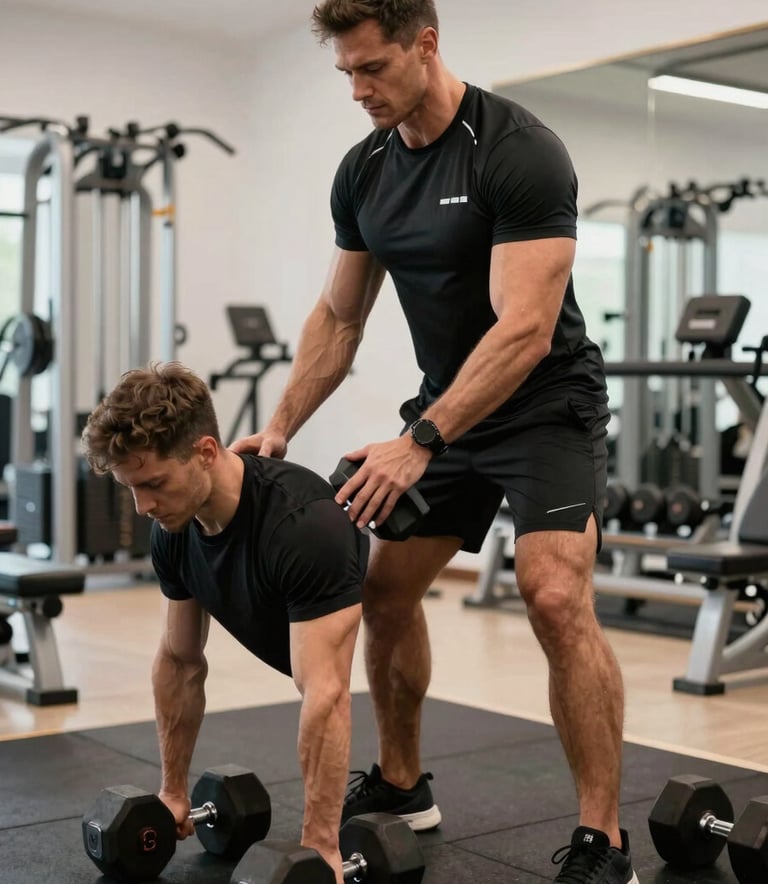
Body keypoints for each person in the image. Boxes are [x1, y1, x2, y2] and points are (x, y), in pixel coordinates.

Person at [232, 2, 637, 882]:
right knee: (384, 591)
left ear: (426, 43)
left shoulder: (518, 150)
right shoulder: (365, 169)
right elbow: (340, 319)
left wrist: (418, 438)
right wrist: (279, 427)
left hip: (544, 405)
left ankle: (604, 841)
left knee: (555, 596)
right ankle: (406, 784)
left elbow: (526, 329)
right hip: (447, 407)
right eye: (346, 73)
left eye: (372, 68)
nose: (358, 90)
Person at [81, 361, 368, 884]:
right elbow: (180, 660)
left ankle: (402, 785)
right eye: (131, 489)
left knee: (381, 647)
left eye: (153, 484)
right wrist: (173, 792)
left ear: (206, 452)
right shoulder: (173, 526)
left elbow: (326, 695)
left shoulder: (304, 527)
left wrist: (321, 845)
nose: (143, 506)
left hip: (374, 548)